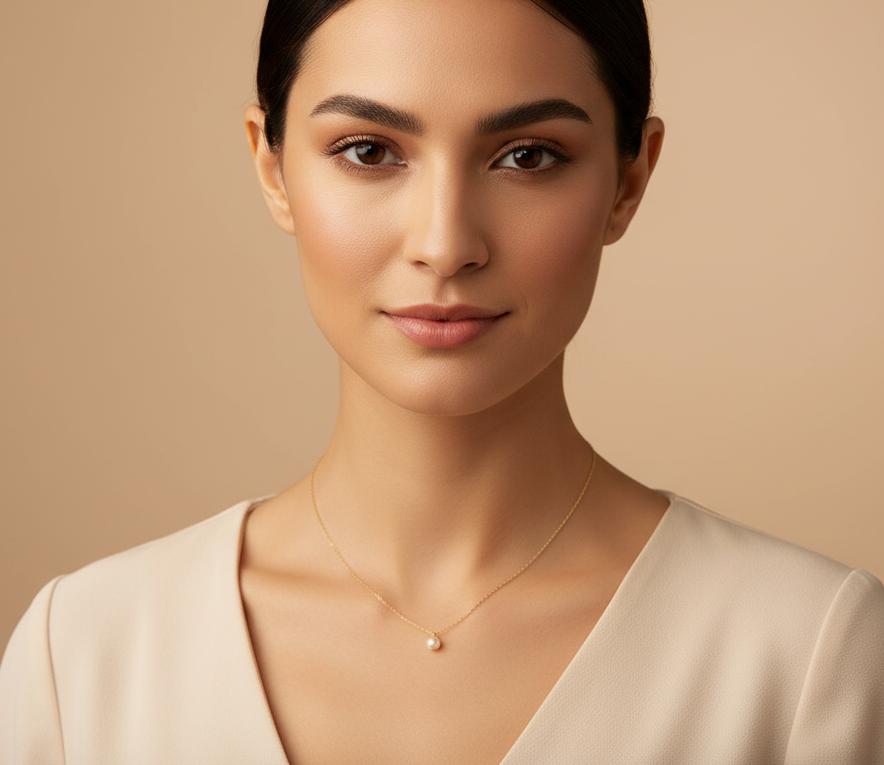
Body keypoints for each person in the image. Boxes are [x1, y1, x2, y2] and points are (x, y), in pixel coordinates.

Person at [1, 0, 882, 762]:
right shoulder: (83, 653)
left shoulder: (807, 654)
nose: (445, 241)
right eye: (368, 150)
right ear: (272, 167)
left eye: (528, 156)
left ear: (629, 178)